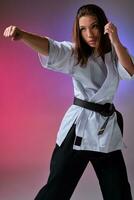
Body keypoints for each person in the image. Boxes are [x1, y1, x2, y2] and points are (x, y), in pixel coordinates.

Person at [3, 4, 134, 200]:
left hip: (106, 131)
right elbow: (52, 48)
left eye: (94, 26)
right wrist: (23, 35)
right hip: (78, 130)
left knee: (119, 192)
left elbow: (130, 71)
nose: (89, 33)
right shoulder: (75, 53)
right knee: (56, 190)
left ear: (104, 26)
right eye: (83, 29)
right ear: (78, 31)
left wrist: (115, 41)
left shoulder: (115, 54)